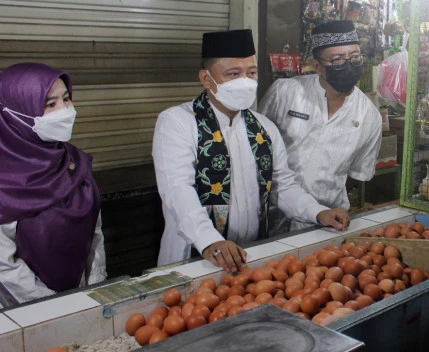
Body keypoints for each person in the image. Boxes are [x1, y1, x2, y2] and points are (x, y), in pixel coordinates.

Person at [153, 29, 350, 273]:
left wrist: (317, 212)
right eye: (233, 74)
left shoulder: (263, 127)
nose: (245, 81)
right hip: (196, 256)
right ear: (206, 79)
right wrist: (209, 240)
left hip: (251, 256)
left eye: (251, 72)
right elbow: (177, 190)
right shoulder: (177, 122)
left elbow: (283, 186)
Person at [0, 63, 105, 307]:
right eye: (50, 104)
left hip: (81, 299)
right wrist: (55, 306)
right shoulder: (5, 180)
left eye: (66, 99)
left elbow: (95, 234)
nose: (65, 110)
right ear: (13, 114)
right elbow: (5, 266)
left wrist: (95, 289)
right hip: (22, 311)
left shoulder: (74, 163)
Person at [258, 20, 382, 226]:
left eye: (355, 57)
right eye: (337, 61)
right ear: (316, 66)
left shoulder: (369, 116)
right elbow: (257, 146)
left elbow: (356, 174)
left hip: (327, 221)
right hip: (270, 215)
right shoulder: (286, 93)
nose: (348, 64)